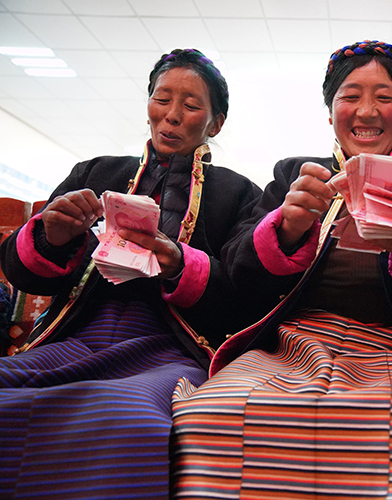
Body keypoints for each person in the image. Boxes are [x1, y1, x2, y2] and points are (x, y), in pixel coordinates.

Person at [170, 40, 392, 499]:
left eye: (385, 97)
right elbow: (239, 274)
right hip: (292, 346)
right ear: (330, 112)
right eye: (350, 96)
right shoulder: (293, 175)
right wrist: (286, 228)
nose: (367, 111)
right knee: (211, 414)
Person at [0, 48, 263, 500]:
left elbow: (243, 301)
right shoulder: (96, 172)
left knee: (128, 418)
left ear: (215, 123)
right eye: (162, 99)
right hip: (76, 337)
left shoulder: (240, 194)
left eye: (191, 105)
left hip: (171, 350)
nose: (172, 115)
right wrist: (51, 236)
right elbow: (21, 273)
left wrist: (178, 262)